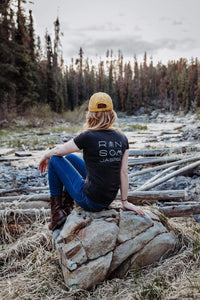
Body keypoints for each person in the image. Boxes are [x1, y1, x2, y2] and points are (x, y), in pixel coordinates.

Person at [39, 92, 145, 231]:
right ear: (111, 114)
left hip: (90, 201)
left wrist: (46, 155)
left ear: (91, 114)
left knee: (54, 161)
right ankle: (67, 207)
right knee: (70, 158)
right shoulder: (122, 138)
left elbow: (59, 151)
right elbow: (123, 172)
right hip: (107, 199)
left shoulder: (88, 136)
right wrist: (124, 201)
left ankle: (56, 214)